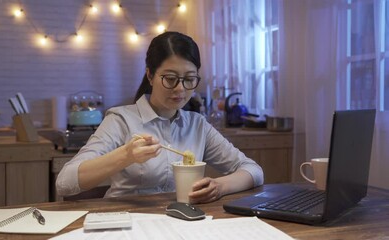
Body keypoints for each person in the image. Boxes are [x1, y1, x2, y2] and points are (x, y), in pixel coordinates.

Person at [56, 31, 263, 203]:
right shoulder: (121, 120)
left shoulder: (197, 125)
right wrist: (126, 155)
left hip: (181, 222)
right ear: (150, 75)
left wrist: (219, 186)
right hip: (128, 224)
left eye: (189, 79)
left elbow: (253, 170)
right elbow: (65, 183)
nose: (180, 89)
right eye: (170, 79)